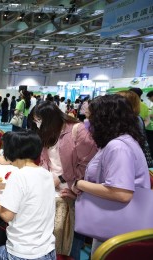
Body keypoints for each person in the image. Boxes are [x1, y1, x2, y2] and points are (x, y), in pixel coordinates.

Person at [72, 95, 150, 254]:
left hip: (120, 224)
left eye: (90, 118)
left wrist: (80, 184)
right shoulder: (118, 141)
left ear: (104, 119)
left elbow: (121, 193)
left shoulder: (118, 147)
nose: (87, 123)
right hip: (117, 221)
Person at [31, 101, 98, 259]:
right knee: (52, 235)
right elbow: (45, 159)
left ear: (50, 118)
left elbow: (87, 165)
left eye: (39, 121)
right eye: (35, 121)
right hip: (52, 187)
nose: (37, 124)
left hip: (73, 189)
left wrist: (63, 180)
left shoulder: (77, 129)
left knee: (70, 237)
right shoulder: (48, 132)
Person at [0, 131, 56, 260]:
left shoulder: (18, 176)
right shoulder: (47, 174)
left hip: (21, 254)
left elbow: (6, 215)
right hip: (48, 251)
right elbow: (31, 191)